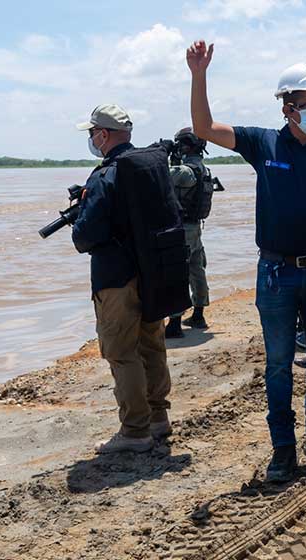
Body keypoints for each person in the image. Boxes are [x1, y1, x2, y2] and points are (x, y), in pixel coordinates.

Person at [185, 41, 306, 482]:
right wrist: (199, 74)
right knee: (280, 364)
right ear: (287, 108)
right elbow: (205, 127)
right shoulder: (262, 143)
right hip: (277, 274)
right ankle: (283, 448)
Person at [72, 104, 185, 454]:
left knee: (121, 352)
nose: (91, 140)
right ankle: (157, 419)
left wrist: (80, 214)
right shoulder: (148, 167)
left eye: (92, 134)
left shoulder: (106, 175)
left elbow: (85, 236)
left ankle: (134, 431)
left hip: (116, 278)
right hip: (151, 272)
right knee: (151, 344)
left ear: (103, 135)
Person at [165, 127, 213, 338]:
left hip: (182, 229)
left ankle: (174, 323)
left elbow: (159, 178)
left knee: (178, 273)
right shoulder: (203, 169)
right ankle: (199, 315)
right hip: (195, 228)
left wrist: (168, 156)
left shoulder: (184, 171)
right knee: (197, 269)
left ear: (185, 145)